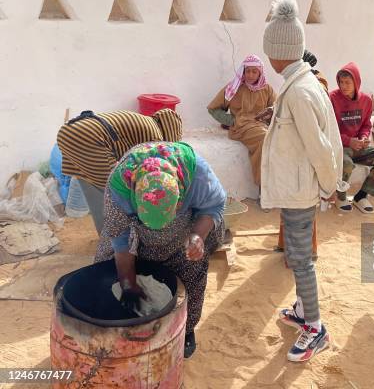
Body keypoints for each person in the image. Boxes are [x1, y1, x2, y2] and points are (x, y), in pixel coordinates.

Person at [261, 0, 343, 362]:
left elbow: (322, 147)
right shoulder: (299, 84)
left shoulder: (301, 92)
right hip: (295, 187)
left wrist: (330, 186)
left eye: (269, 51)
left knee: (300, 257)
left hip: (301, 191)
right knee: (296, 253)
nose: (267, 58)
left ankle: (315, 327)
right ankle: (302, 307)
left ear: (280, 51)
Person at [94, 141, 226, 359]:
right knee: (105, 267)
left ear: (180, 198)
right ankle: (115, 325)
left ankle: (186, 328)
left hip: (186, 226)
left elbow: (215, 206)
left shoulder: (197, 175)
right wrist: (128, 285)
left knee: (191, 266)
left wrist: (196, 236)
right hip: (134, 225)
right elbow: (120, 238)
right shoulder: (119, 188)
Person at [57, 109, 183, 235]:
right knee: (112, 191)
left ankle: (106, 235)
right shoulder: (155, 137)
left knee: (91, 182)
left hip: (70, 133)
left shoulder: (146, 121)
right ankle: (112, 239)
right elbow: (146, 169)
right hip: (88, 138)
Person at [276, 49, 329, 258]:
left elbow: (312, 121)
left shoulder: (314, 83)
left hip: (305, 153)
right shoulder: (296, 82)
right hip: (291, 150)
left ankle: (308, 252)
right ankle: (285, 245)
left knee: (304, 207)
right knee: (288, 204)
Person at [329, 62, 374, 213]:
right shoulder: (332, 98)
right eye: (341, 82)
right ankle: (341, 196)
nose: (343, 86)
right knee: (347, 163)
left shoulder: (366, 100)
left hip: (358, 147)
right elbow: (330, 129)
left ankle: (361, 196)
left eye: (347, 82)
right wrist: (349, 141)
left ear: (356, 82)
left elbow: (366, 125)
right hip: (340, 147)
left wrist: (364, 138)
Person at [207, 54, 276, 187]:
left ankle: (276, 186)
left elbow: (277, 107)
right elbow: (213, 108)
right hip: (241, 128)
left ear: (260, 72)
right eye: (247, 71)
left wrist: (270, 113)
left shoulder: (267, 89)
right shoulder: (234, 87)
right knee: (264, 138)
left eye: (254, 71)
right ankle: (263, 187)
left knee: (277, 138)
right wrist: (231, 121)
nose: (250, 75)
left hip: (261, 126)